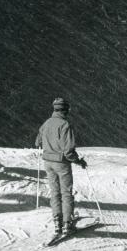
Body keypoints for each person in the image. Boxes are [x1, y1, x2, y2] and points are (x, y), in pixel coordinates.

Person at [35, 97, 87, 236]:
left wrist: (48, 143)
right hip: (61, 163)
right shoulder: (65, 125)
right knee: (66, 193)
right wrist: (78, 161)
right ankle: (67, 224)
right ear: (65, 110)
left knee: (55, 192)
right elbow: (68, 150)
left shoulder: (46, 123)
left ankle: (57, 221)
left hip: (48, 162)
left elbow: (37, 142)